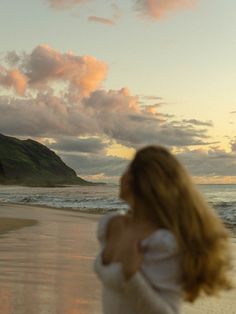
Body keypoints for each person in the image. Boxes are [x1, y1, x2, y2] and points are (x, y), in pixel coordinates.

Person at [94, 146, 232, 314]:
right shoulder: (112, 225)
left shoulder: (164, 243)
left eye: (127, 169)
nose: (121, 177)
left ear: (138, 181)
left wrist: (132, 277)